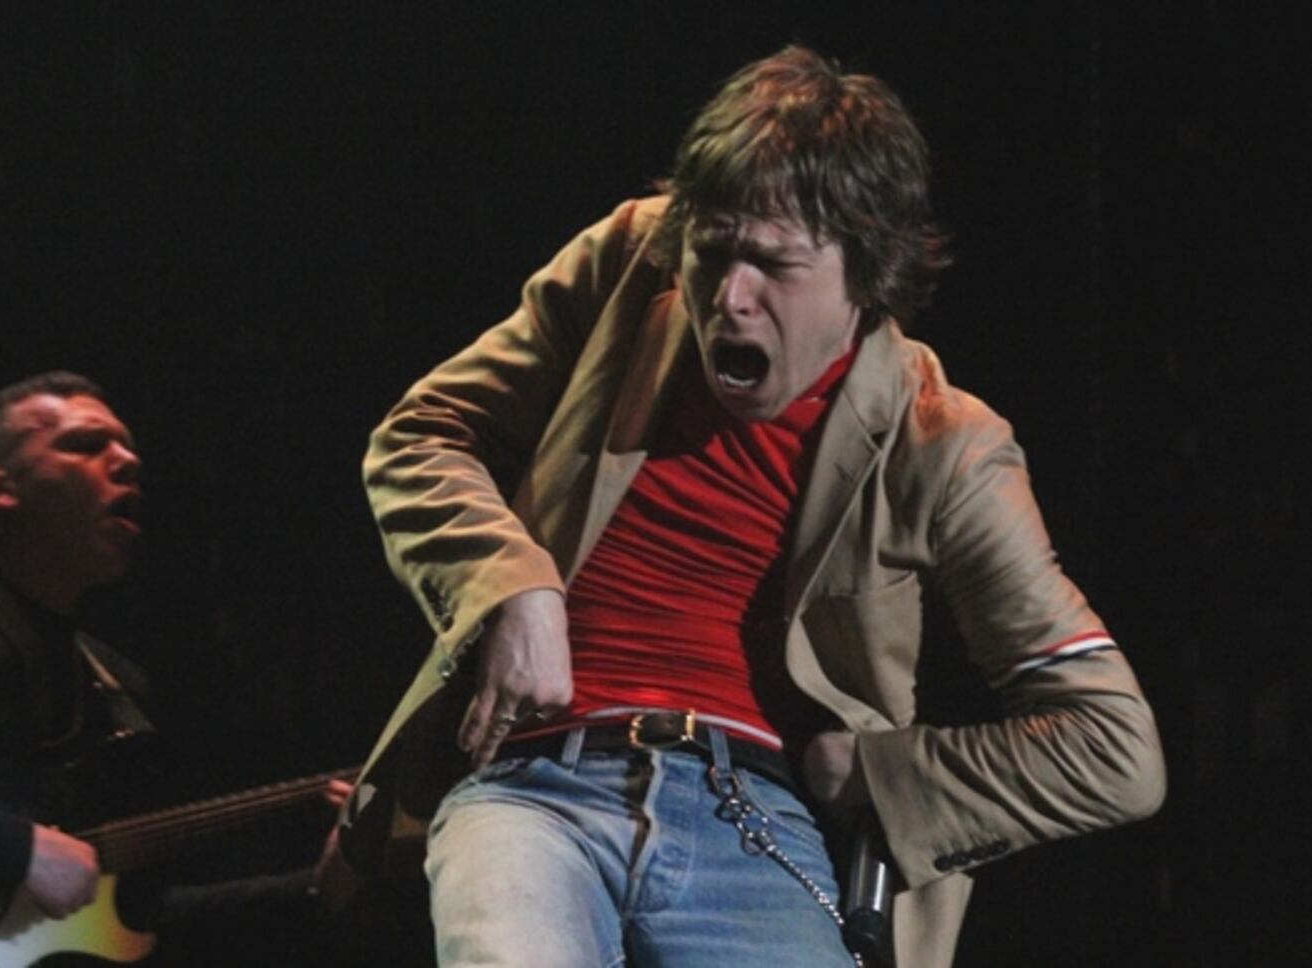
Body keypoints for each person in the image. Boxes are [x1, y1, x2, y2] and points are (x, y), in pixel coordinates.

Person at [330, 46, 1166, 967]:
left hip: (755, 817)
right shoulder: (626, 263)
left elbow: (1112, 747)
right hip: (537, 782)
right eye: (713, 251)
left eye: (773, 264)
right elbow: (420, 436)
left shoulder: (945, 444)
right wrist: (510, 584)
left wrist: (879, 776)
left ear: (868, 272)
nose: (729, 298)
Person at [0, 372, 315, 966]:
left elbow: (133, 921)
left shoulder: (114, 685)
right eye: (86, 443)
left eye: (129, 445)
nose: (128, 460)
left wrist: (318, 887)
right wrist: (13, 847)